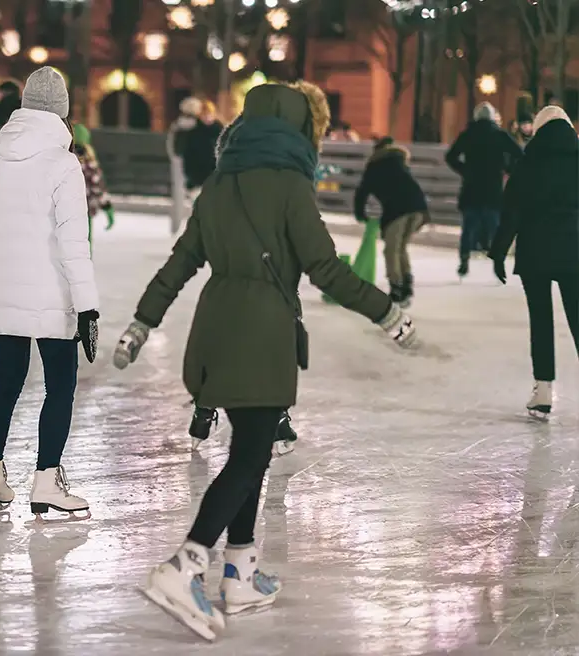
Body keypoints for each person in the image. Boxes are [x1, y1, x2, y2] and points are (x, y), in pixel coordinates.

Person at [113, 82, 417, 640]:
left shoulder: (218, 184)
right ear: (298, 127)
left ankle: (240, 572)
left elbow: (179, 264)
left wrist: (142, 322)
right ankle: (185, 565)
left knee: (248, 447)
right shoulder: (290, 185)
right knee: (250, 457)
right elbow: (326, 269)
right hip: (262, 335)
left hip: (215, 333)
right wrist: (386, 312)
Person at [0, 67, 100, 522]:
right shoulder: (63, 164)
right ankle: (46, 482)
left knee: (6, 383)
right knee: (60, 387)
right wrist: (87, 306)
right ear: (63, 112)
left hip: (4, 292)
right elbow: (73, 242)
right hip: (52, 297)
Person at [489, 105, 579, 421]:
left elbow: (511, 213)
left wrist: (498, 252)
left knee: (541, 320)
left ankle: (543, 392)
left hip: (535, 253)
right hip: (574, 253)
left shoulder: (527, 164)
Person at [446, 101, 522, 276]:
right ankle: (497, 262)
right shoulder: (500, 135)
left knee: (468, 226)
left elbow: (450, 156)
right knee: (494, 227)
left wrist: (464, 170)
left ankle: (464, 259)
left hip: (471, 187)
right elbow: (519, 153)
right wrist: (507, 168)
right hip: (493, 188)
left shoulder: (468, 135)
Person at [353, 136, 429, 306]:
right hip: (419, 208)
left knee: (391, 250)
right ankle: (407, 284)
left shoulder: (375, 165)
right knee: (401, 247)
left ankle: (397, 288)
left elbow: (362, 192)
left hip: (398, 210)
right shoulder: (399, 161)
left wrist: (360, 214)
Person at [71, 122, 114, 246]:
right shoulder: (89, 161)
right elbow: (97, 187)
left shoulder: (63, 157)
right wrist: (107, 207)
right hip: (84, 210)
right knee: (83, 244)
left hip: (65, 210)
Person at [173, 97, 224, 195]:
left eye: (209, 113)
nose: (207, 117)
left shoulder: (218, 128)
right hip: (196, 175)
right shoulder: (192, 130)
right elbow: (185, 151)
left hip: (212, 174)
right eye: (203, 114)